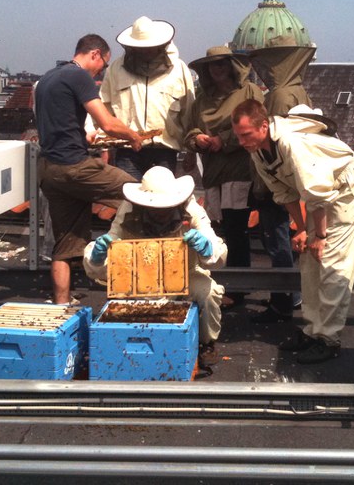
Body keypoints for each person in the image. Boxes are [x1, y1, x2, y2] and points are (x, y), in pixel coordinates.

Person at [231, 98, 354, 364]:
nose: (241, 142)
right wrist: (302, 231)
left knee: (330, 261)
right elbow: (284, 193)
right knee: (308, 260)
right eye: (238, 136)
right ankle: (312, 331)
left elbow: (318, 195)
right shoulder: (257, 149)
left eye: (246, 135)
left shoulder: (293, 144)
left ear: (263, 126)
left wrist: (319, 235)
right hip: (322, 195)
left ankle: (328, 339)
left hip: (347, 188)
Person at [34, 34, 143, 304]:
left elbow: (58, 126)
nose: (101, 71)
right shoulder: (78, 76)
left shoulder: (47, 78)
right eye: (104, 64)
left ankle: (62, 303)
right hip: (75, 166)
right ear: (95, 54)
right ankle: (140, 286)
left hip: (50, 170)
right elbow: (106, 122)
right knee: (141, 196)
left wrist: (82, 138)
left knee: (65, 243)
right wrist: (133, 136)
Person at [83, 166, 227, 367]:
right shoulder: (128, 209)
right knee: (123, 303)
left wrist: (207, 249)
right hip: (142, 274)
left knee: (208, 292)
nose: (160, 213)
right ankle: (131, 345)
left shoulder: (191, 209)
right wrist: (97, 258)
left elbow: (217, 251)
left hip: (186, 273)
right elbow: (111, 246)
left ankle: (207, 343)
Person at [183, 46, 264, 308]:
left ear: (232, 66)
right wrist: (198, 139)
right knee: (220, 227)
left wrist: (224, 140)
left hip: (240, 170)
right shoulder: (201, 99)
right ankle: (228, 283)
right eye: (212, 65)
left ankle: (239, 289)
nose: (217, 69)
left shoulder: (249, 92)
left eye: (222, 63)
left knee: (236, 228)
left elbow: (258, 125)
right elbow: (190, 130)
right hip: (214, 172)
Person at [246, 36, 317, 322]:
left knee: (278, 243)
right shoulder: (299, 90)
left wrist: (263, 187)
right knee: (288, 240)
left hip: (278, 182)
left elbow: (270, 144)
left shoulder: (279, 95)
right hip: (295, 178)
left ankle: (283, 301)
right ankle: (293, 296)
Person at [99, 16, 195, 180]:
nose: (146, 51)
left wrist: (191, 152)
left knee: (162, 202)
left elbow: (190, 113)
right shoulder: (116, 69)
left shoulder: (179, 69)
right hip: (127, 150)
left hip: (165, 150)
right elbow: (103, 109)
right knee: (128, 202)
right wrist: (104, 148)